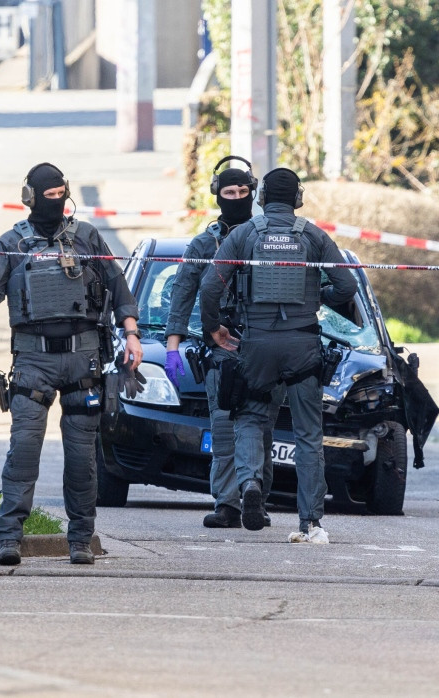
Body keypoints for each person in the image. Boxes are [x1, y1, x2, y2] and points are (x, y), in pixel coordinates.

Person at [0, 162, 143, 566]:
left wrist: (131, 335)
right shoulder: (12, 243)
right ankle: (8, 540)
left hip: (82, 361)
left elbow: (119, 286)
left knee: (81, 458)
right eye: (48, 197)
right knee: (22, 452)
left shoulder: (87, 235)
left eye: (61, 195)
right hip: (33, 361)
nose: (56, 203)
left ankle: (79, 539)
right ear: (31, 200)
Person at [198, 167, 358, 541]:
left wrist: (214, 329)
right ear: (298, 198)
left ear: (261, 197)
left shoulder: (243, 235)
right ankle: (310, 520)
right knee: (307, 434)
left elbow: (209, 286)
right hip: (302, 345)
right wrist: (319, 299)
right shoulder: (314, 236)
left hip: (255, 345)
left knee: (250, 418)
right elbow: (347, 285)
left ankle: (251, 483)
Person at [163, 156, 275, 529]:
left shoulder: (270, 238)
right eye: (230, 192)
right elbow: (182, 293)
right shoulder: (204, 243)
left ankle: (242, 499)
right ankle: (238, 498)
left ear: (254, 193)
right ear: (217, 195)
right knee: (231, 424)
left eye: (244, 191)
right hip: (224, 344)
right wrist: (172, 345)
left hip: (260, 345)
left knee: (255, 426)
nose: (238, 197)